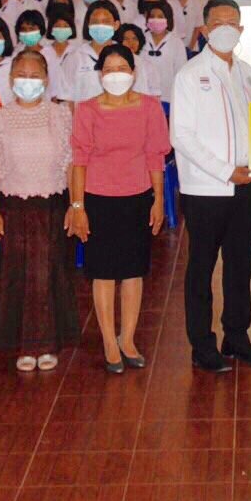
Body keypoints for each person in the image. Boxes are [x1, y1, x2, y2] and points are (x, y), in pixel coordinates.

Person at [171, 0, 251, 374]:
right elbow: (182, 136)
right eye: (218, 23)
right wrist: (225, 170)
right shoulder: (189, 75)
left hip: (246, 187)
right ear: (205, 29)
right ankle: (201, 344)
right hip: (206, 189)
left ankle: (237, 336)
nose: (226, 29)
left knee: (240, 263)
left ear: (241, 29)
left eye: (233, 23)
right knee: (201, 266)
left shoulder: (248, 74)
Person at [69, 45, 170, 372]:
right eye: (109, 69)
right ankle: (109, 342)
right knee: (103, 272)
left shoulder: (150, 107)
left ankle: (127, 338)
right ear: (100, 75)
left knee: (132, 271)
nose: (115, 75)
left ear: (133, 72)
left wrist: (158, 199)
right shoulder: (87, 110)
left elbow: (155, 156)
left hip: (137, 197)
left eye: (122, 68)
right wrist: (78, 205)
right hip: (98, 199)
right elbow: (79, 161)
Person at [0, 49, 77, 372]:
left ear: (46, 80)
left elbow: (71, 163)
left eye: (34, 75)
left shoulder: (60, 114)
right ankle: (22, 343)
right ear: (10, 79)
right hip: (13, 205)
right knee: (17, 275)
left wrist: (76, 205)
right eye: (21, 75)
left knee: (47, 273)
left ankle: (47, 343)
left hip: (51, 204)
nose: (28, 81)